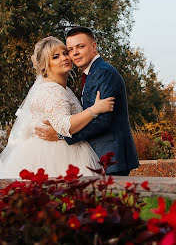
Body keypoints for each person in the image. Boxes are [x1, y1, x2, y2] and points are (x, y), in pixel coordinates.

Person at [0, 36, 115, 179]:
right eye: (56, 57)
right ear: (45, 65)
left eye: (64, 53)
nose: (64, 58)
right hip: (55, 156)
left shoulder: (63, 89)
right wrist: (94, 110)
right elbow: (64, 126)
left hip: (65, 149)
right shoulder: (52, 90)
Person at [35, 27, 139, 176]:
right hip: (104, 156)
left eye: (80, 46)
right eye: (70, 49)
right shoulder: (92, 73)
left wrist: (60, 136)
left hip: (110, 155)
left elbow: (102, 121)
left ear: (94, 46)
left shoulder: (102, 73)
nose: (74, 53)